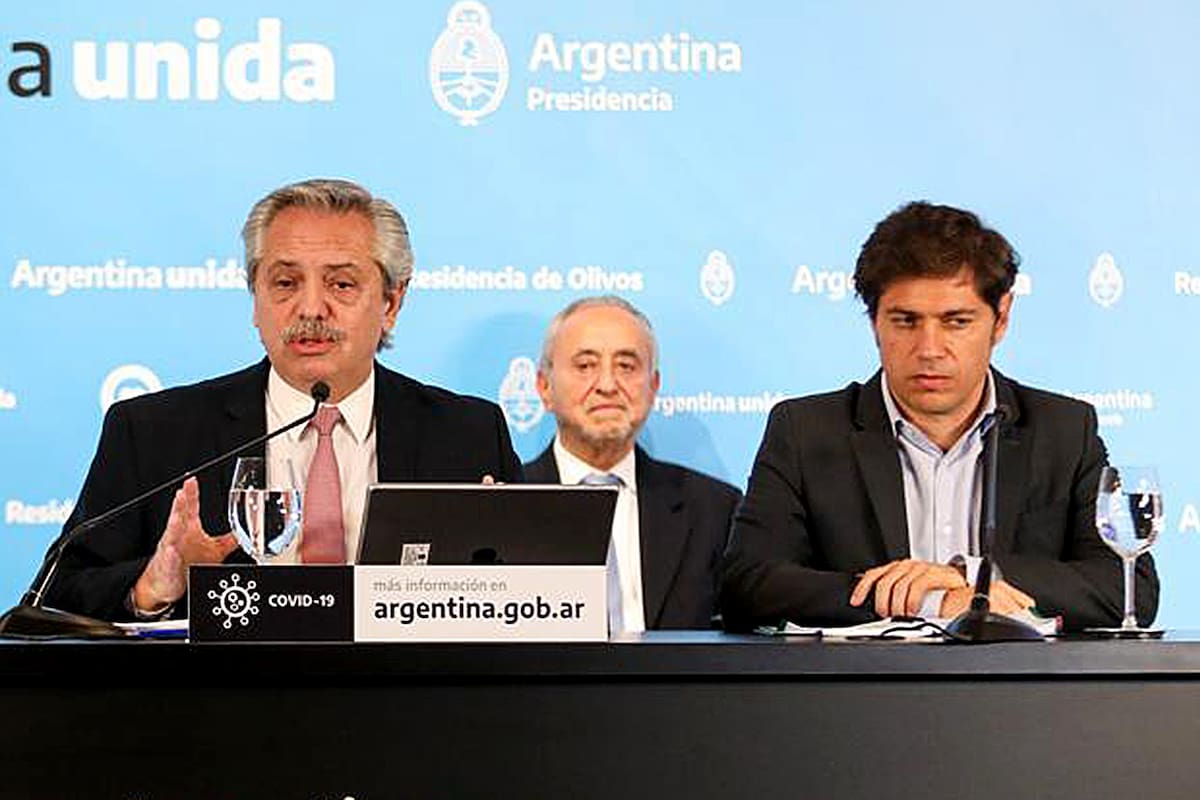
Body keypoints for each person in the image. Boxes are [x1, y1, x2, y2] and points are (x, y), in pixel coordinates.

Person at [42, 179, 522, 621]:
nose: (311, 309)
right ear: (256, 299)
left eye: (341, 284)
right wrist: (151, 586)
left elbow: (537, 606)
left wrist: (493, 577)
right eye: (286, 283)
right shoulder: (153, 433)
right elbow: (51, 603)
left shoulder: (467, 436)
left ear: (391, 303)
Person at [721, 201, 1158, 631]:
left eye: (956, 322)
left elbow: (1128, 587)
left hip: (1021, 698)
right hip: (861, 699)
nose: (929, 349)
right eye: (906, 321)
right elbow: (747, 585)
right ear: (875, 323)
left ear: (1001, 318)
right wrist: (929, 598)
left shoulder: (1063, 430)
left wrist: (972, 577)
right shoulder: (806, 431)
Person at [524, 296, 742, 631]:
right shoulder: (509, 502)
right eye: (585, 366)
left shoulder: (715, 509)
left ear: (653, 386)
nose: (608, 385)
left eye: (627, 366)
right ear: (544, 387)